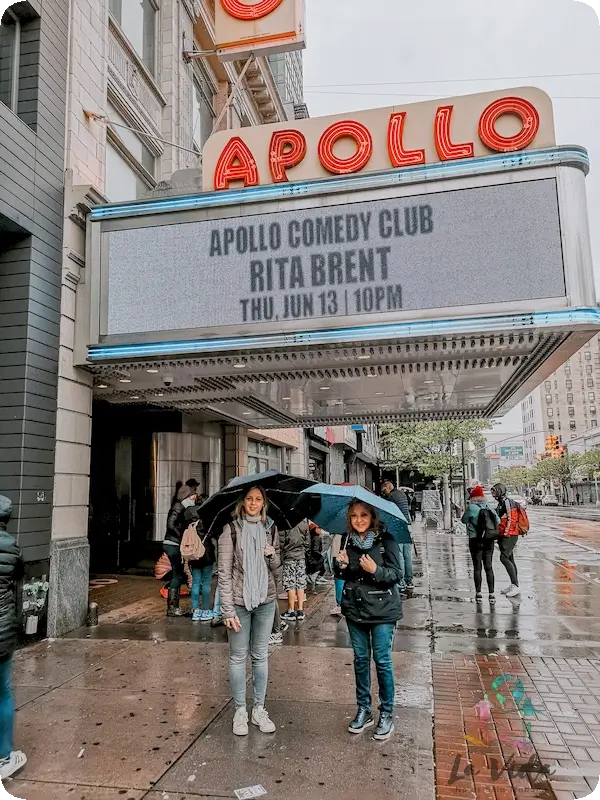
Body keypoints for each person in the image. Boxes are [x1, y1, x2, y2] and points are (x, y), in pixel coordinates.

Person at [335, 500, 403, 741]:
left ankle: (386, 712)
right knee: (361, 659)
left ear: (372, 517)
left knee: (382, 660)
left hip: (383, 610)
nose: (359, 520)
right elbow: (344, 574)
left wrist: (376, 570)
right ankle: (364, 709)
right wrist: (341, 566)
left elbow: (397, 574)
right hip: (355, 609)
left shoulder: (387, 540)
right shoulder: (347, 540)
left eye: (364, 515)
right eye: (354, 516)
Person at [218, 486, 281, 736]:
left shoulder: (271, 529)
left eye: (258, 499)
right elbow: (224, 573)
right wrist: (227, 611)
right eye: (249, 499)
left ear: (264, 502)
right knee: (237, 657)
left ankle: (259, 709)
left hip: (266, 600)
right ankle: (240, 711)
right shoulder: (231, 530)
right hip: (238, 601)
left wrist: (272, 555)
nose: (253, 503)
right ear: (242, 502)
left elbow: (277, 569)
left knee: (260, 656)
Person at [0, 496, 27, 780]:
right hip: (3, 629)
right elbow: (19, 585)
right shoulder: (13, 546)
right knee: (3, 693)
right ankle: (4, 757)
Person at [461, 486, 499, 604]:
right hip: (488, 540)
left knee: (477, 567)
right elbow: (497, 520)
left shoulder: (471, 508)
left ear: (472, 497)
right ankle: (492, 594)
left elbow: (463, 520)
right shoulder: (489, 507)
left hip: (475, 540)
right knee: (489, 567)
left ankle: (478, 593)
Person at [164, 485, 198, 616]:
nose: (194, 499)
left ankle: (173, 607)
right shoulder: (178, 506)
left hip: (174, 543)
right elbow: (170, 524)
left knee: (177, 574)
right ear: (186, 496)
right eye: (192, 496)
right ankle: (172, 608)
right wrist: (182, 538)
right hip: (173, 544)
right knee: (177, 575)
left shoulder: (183, 508)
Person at [183, 500, 217, 622]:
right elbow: (214, 535)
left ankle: (195, 611)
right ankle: (206, 610)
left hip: (194, 557)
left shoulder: (189, 523)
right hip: (206, 556)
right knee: (206, 583)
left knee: (196, 583)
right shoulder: (207, 522)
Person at [381, 481, 413, 591]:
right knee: (407, 555)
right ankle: (409, 580)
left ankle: (401, 581)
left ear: (387, 488)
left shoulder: (391, 496)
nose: (383, 493)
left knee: (399, 554)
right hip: (407, 525)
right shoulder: (402, 494)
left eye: (384, 490)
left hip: (398, 526)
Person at [491, 483, 521, 597]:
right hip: (505, 534)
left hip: (509, 535)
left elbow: (512, 518)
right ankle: (514, 584)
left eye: (495, 491)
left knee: (504, 558)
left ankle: (515, 586)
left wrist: (507, 533)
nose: (493, 494)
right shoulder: (501, 503)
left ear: (500, 491)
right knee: (510, 558)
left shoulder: (507, 502)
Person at [280, 520, 310, 622]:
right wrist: (303, 551)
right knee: (300, 583)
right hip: (301, 557)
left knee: (290, 583)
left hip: (289, 557)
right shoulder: (304, 524)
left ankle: (291, 610)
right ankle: (300, 610)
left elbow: (281, 543)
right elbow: (307, 543)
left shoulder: (284, 524)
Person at [330, 533, 345, 616]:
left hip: (339, 554)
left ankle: (340, 604)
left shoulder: (340, 531)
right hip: (341, 553)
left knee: (339, 578)